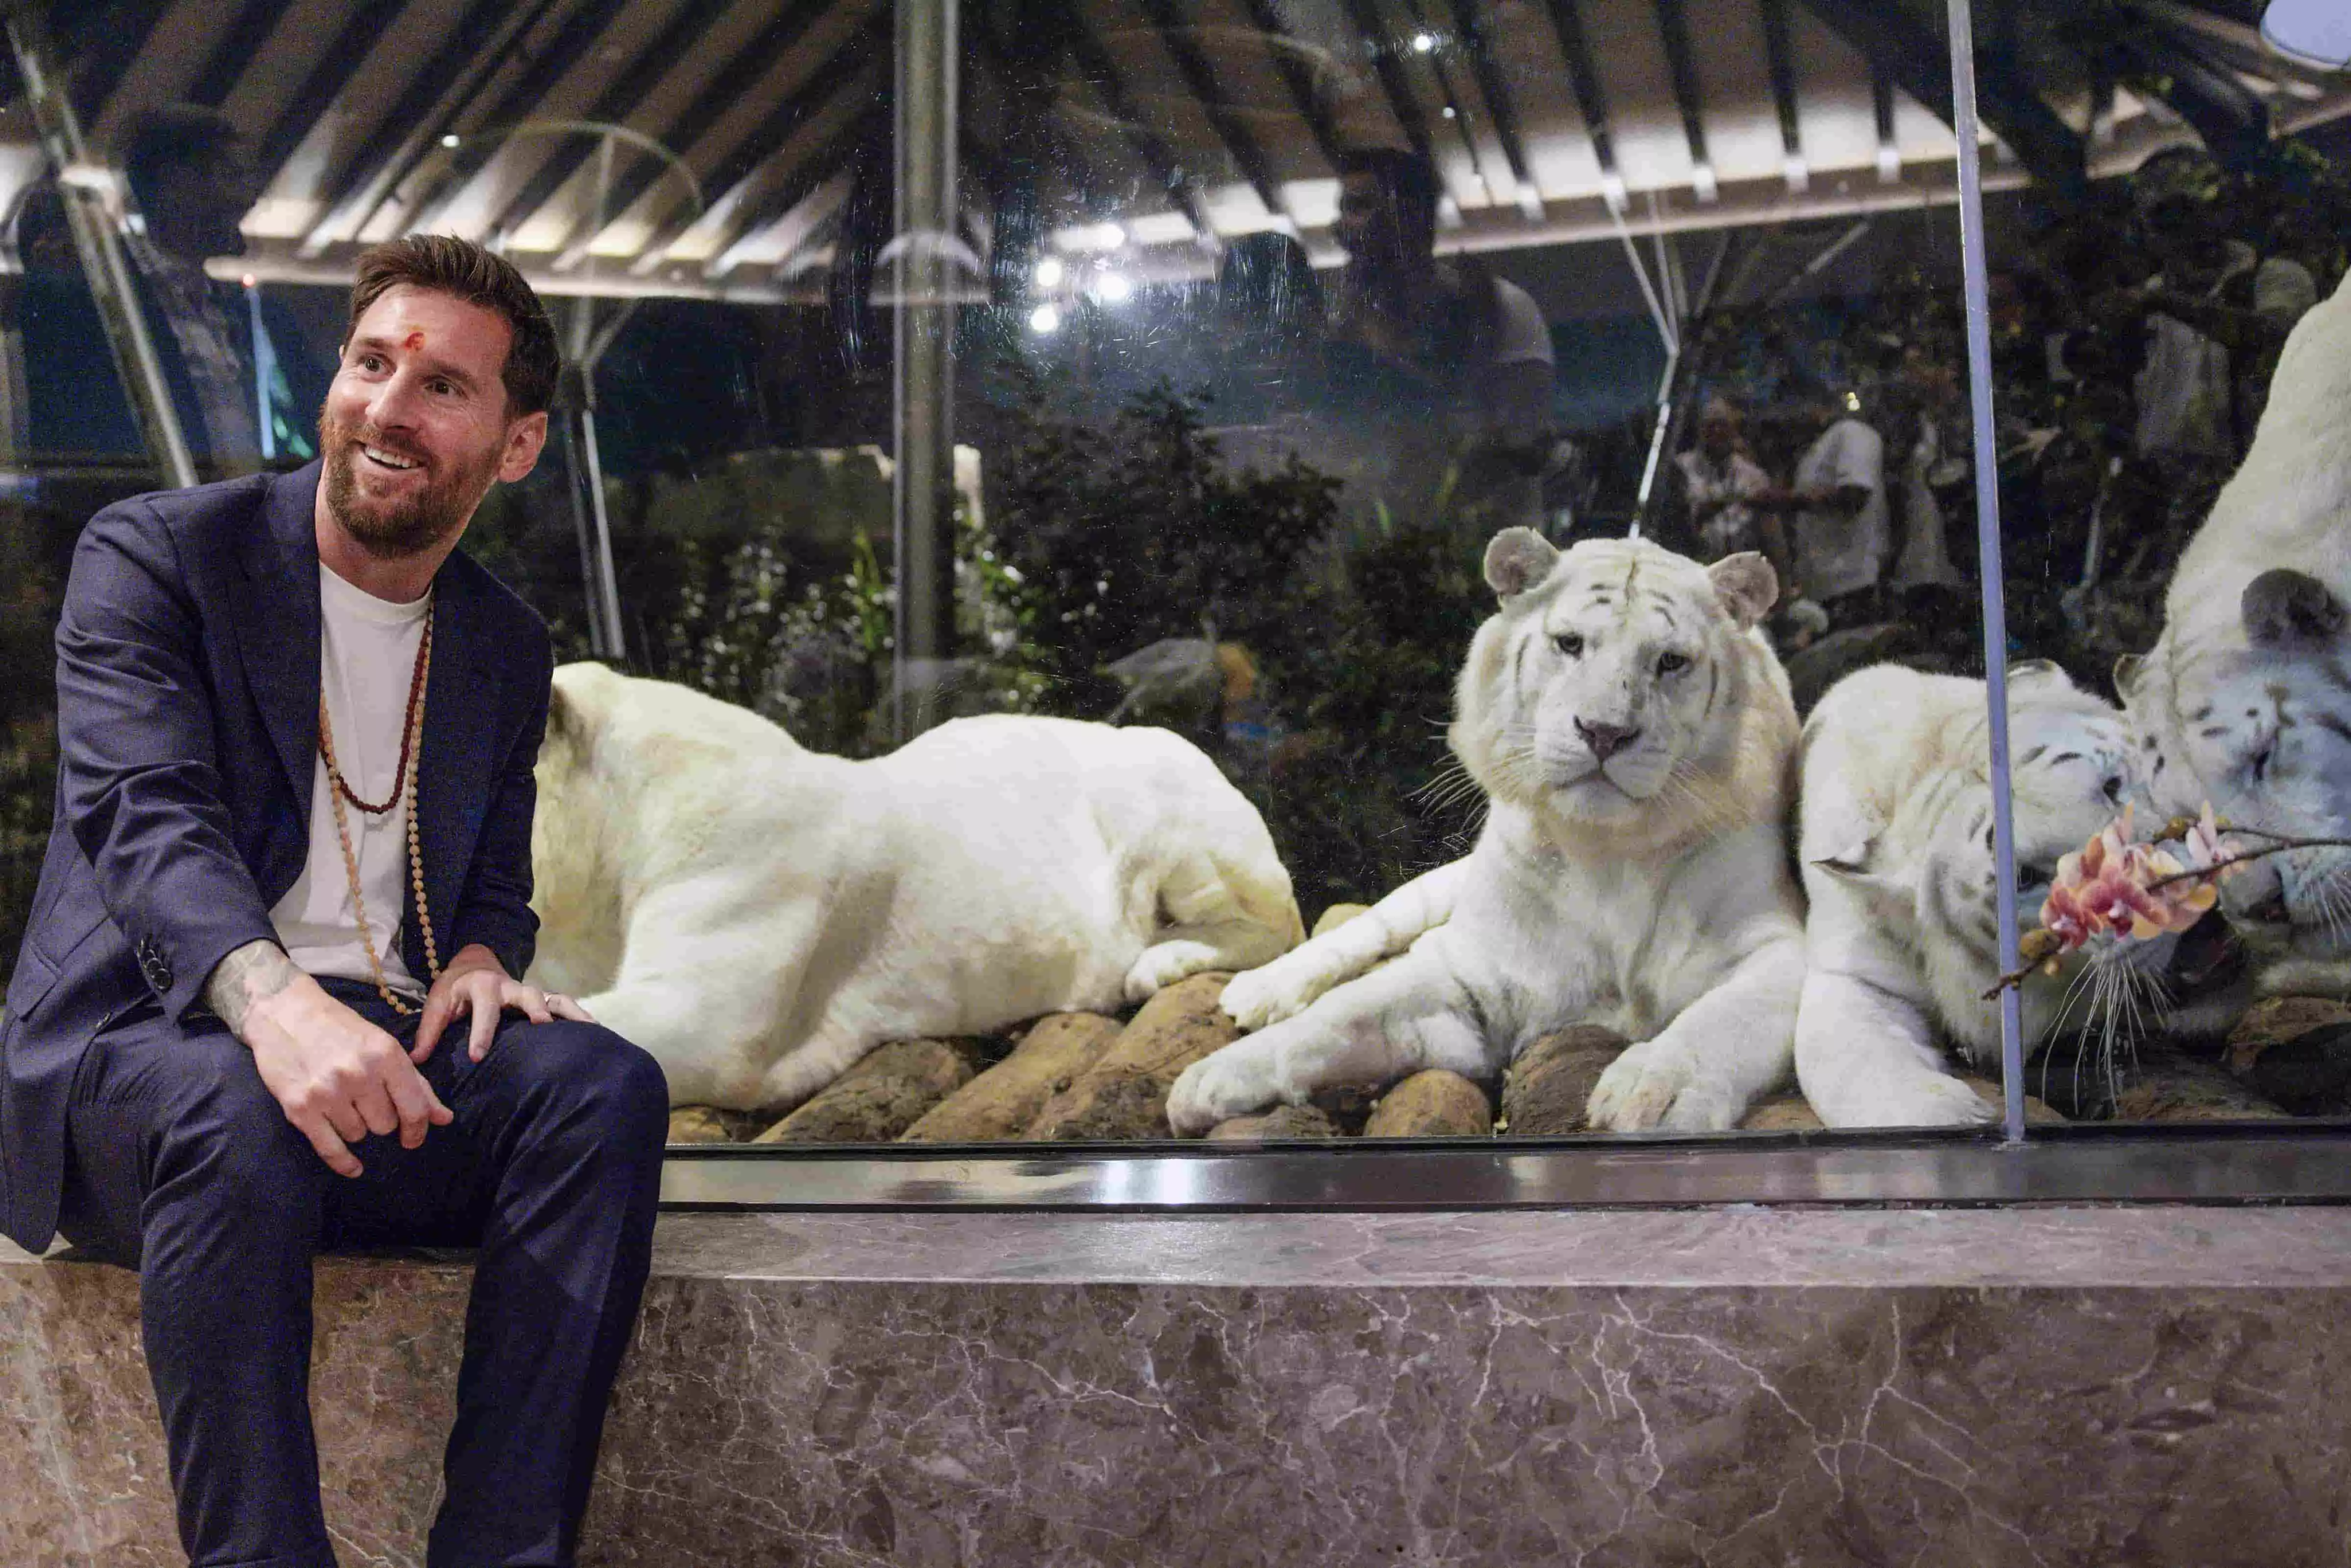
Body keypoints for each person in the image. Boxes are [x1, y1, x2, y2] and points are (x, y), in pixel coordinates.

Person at [0, 234, 671, 1567]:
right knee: (241, 1107)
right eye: (372, 363)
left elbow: (493, 872)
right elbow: (147, 818)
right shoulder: (162, 557)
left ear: (517, 444)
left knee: (603, 1088)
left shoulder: (498, 637)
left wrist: (482, 956)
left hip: (374, 1056)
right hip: (146, 1059)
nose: (388, 407)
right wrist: (275, 1005)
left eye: (442, 387)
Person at [1325, 145, 1555, 530]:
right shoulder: (1343, 330)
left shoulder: (1500, 310)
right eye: (1346, 208)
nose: (1342, 228)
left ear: (1410, 217)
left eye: (1360, 206)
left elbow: (1521, 449)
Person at [1760, 380, 1890, 627]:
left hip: (1853, 583)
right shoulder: (1815, 450)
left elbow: (1854, 496)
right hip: (1822, 589)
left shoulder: (1852, 432)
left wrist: (1782, 501)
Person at [1668, 396, 1780, 573]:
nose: (1717, 431)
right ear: (1699, 429)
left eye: (1723, 425)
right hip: (1691, 570)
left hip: (1741, 576)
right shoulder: (1680, 469)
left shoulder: (1753, 476)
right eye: (1710, 425)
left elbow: (1771, 537)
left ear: (1735, 430)